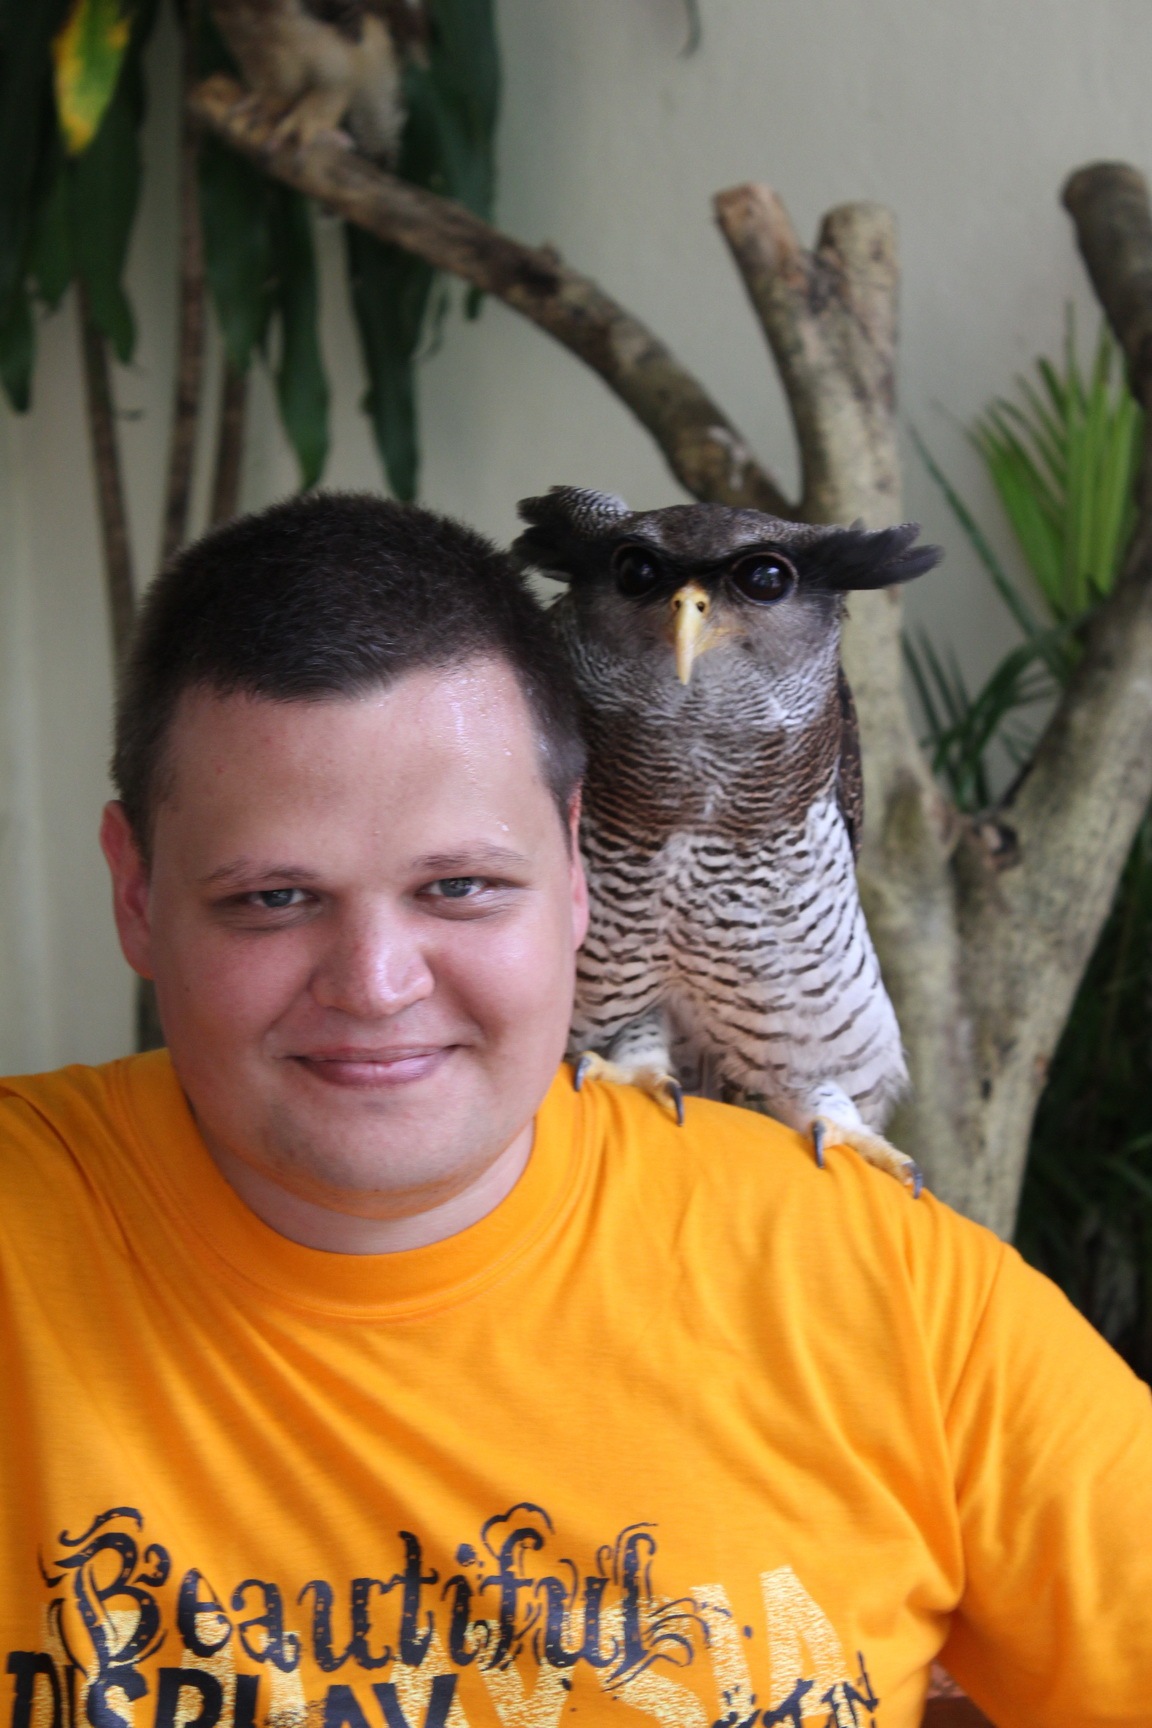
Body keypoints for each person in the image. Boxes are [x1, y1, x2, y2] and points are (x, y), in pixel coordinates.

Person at [1, 493, 1149, 1728]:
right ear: (135, 892)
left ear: (575, 869)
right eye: (274, 899)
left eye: (461, 886)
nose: (378, 987)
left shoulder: (893, 1292)